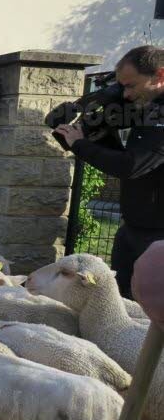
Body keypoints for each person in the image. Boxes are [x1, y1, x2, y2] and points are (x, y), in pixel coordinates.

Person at [56, 45, 164, 300]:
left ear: (160, 76)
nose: (125, 95)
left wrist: (80, 145)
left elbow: (130, 166)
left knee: (151, 311)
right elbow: (125, 158)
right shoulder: (146, 107)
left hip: (159, 237)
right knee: (118, 303)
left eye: (131, 86)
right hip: (133, 228)